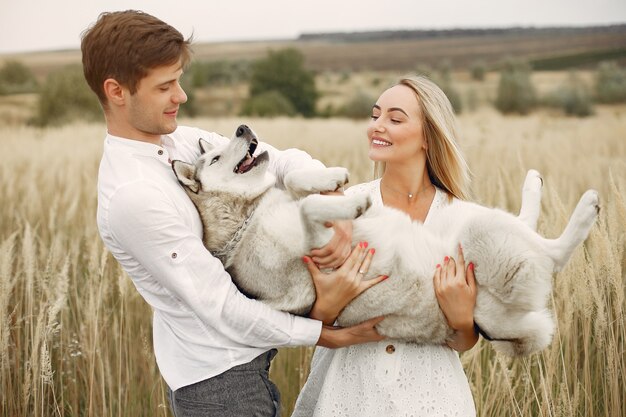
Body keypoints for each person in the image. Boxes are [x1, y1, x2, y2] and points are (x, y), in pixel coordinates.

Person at [81, 10, 387, 417]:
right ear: (117, 91)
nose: (181, 96)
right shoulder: (134, 196)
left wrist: (332, 202)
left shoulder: (181, 141)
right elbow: (222, 308)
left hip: (242, 369)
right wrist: (327, 334)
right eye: (165, 86)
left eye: (179, 81)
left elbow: (273, 159)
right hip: (219, 386)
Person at [293, 76, 478, 416]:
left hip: (433, 400)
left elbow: (462, 342)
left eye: (394, 119)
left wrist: (464, 320)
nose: (377, 126)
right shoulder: (344, 207)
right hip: (348, 394)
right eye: (375, 115)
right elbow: (305, 324)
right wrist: (327, 307)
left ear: (428, 136)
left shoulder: (463, 220)